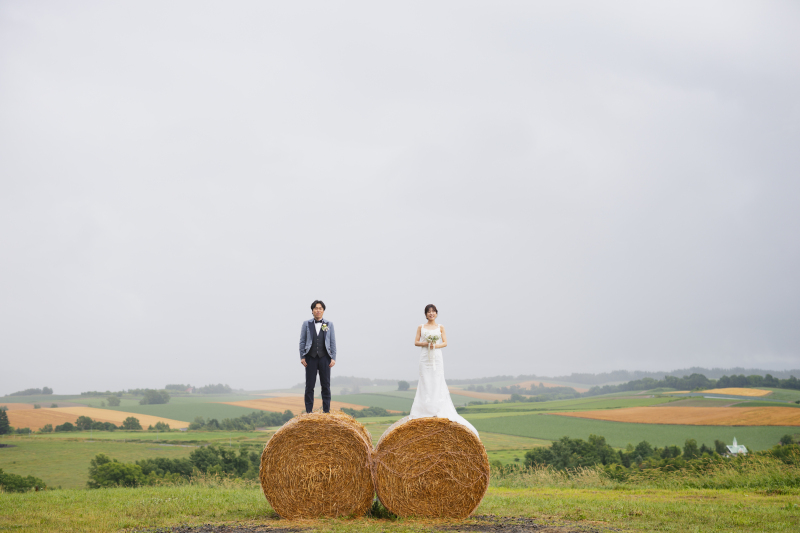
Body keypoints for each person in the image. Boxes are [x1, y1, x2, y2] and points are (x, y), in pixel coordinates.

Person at [409, 304, 478, 435]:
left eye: (433, 311)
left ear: (436, 313)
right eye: (428, 312)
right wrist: (426, 343)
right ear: (425, 314)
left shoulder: (441, 327)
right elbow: (416, 342)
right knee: (425, 380)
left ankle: (436, 409)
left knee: (437, 379)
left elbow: (445, 342)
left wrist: (435, 345)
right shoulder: (421, 327)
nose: (431, 314)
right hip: (425, 357)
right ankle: (424, 410)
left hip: (437, 356)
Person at [298, 300, 337, 413]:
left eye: (320, 308)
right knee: (309, 386)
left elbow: (332, 342)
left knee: (325, 385)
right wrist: (302, 357)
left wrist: (333, 358)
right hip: (310, 358)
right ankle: (309, 412)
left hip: (325, 358)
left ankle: (326, 411)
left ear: (323, 311)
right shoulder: (306, 324)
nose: (318, 310)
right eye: (316, 308)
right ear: (312, 311)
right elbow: (302, 341)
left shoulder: (328, 324)